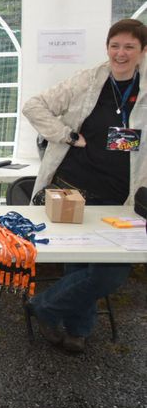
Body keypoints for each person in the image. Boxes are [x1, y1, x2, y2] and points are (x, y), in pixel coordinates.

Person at [23, 18, 147, 354]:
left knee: (110, 273)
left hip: (120, 199)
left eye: (129, 47)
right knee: (79, 264)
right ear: (107, 48)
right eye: (114, 46)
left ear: (142, 51)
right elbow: (34, 106)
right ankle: (78, 330)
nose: (120, 53)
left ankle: (45, 306)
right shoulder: (89, 80)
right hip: (72, 190)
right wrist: (66, 135)